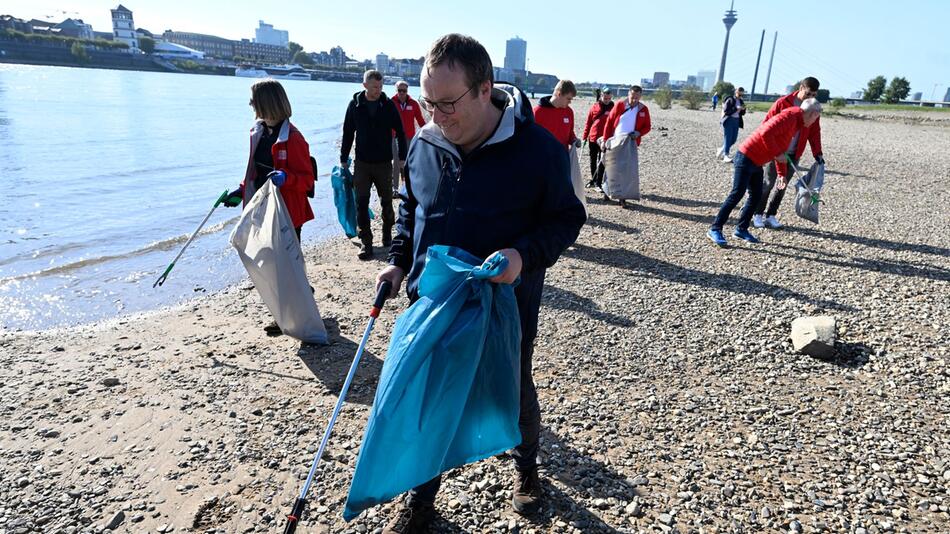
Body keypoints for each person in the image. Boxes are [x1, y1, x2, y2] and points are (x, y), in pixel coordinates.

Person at [376, 33, 586, 533]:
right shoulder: (426, 142)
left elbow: (566, 219)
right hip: (433, 301)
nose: (436, 115)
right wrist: (398, 259)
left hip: (505, 305)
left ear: (484, 88)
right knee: (430, 400)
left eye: (447, 103)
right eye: (429, 102)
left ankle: (528, 472)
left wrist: (523, 255)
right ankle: (421, 499)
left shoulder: (537, 151)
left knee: (512, 390)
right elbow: (412, 208)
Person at [222, 78, 315, 334]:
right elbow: (255, 169)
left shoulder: (294, 138)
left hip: (287, 212)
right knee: (270, 262)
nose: (251, 104)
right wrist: (241, 191)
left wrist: (288, 179)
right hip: (263, 208)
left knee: (286, 265)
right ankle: (290, 304)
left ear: (267, 102)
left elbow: (307, 180)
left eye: (254, 100)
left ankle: (292, 313)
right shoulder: (259, 132)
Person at [707, 99, 822, 246]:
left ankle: (741, 229)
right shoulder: (790, 117)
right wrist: (776, 154)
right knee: (737, 193)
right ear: (812, 114)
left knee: (756, 196)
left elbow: (782, 151)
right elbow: (765, 133)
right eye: (815, 118)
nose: (814, 123)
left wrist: (781, 174)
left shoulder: (798, 122)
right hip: (746, 156)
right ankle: (715, 229)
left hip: (757, 162)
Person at [341, 70, 408, 260]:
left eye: (380, 87)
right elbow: (347, 132)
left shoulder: (388, 105)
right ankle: (366, 243)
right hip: (362, 163)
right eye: (374, 87)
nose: (378, 90)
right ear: (365, 86)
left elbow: (401, 132)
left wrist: (401, 157)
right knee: (361, 203)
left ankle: (387, 233)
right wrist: (343, 158)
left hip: (383, 163)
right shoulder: (355, 105)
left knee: (387, 201)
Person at [753, 77, 826, 229]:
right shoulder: (783, 103)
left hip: (794, 153)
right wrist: (768, 149)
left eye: (813, 95)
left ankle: (771, 215)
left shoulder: (812, 107)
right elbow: (766, 126)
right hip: (777, 151)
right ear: (801, 88)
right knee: (768, 183)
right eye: (808, 93)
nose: (810, 97)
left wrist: (817, 152)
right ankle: (757, 213)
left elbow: (814, 132)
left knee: (782, 185)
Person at [598, 85, 651, 205]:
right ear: (628, 94)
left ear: (640, 97)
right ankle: (607, 192)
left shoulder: (643, 109)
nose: (634, 100)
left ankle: (623, 197)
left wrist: (639, 133)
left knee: (626, 170)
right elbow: (609, 122)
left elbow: (647, 127)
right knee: (611, 166)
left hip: (630, 143)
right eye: (632, 97)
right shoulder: (620, 105)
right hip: (615, 141)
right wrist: (605, 140)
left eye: (637, 98)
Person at [391, 80, 426, 195]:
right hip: (394, 137)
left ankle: (408, 188)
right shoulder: (391, 102)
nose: (401, 93)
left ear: (407, 91)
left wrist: (429, 132)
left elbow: (420, 120)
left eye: (404, 90)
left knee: (408, 162)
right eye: (399, 90)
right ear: (396, 90)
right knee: (396, 162)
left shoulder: (413, 104)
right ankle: (395, 189)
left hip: (409, 137)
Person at [533, 79, 579, 150]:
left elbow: (570, 133)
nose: (570, 102)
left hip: (562, 157)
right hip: (543, 157)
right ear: (559, 94)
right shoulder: (537, 112)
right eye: (568, 99)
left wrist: (574, 140)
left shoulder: (569, 112)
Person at [582, 87, 614, 186]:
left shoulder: (614, 108)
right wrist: (584, 137)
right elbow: (588, 123)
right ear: (601, 96)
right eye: (605, 98)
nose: (607, 101)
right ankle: (594, 179)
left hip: (605, 138)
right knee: (593, 160)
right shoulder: (594, 107)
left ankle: (599, 182)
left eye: (609, 98)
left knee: (602, 160)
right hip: (593, 137)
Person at [717, 87, 746, 162]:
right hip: (729, 120)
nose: (741, 93)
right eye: (739, 91)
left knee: (733, 139)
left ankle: (722, 149)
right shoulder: (730, 99)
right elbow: (726, 111)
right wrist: (736, 108)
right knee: (728, 138)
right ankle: (725, 155)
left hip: (736, 121)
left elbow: (742, 113)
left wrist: (743, 109)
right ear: (736, 91)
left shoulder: (741, 101)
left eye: (742, 91)